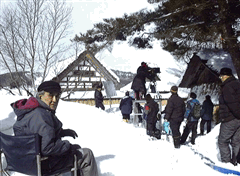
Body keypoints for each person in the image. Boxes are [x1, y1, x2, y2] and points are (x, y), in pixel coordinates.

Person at [11, 81, 99, 176]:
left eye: (57, 96)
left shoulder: (29, 110)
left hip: (28, 161)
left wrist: (63, 132)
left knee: (76, 149)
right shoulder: (41, 115)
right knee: (87, 154)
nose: (54, 100)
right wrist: (67, 145)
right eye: (50, 95)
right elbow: (48, 148)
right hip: (43, 164)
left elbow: (39, 132)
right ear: (41, 96)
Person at [217, 67, 240, 166]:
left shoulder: (227, 87)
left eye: (221, 76)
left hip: (230, 118)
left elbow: (232, 103)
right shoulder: (237, 84)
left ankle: (226, 163)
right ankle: (236, 161)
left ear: (225, 76)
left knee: (222, 141)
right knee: (236, 141)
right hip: (238, 119)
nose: (220, 78)